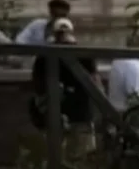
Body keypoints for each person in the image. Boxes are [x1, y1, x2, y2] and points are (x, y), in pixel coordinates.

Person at [30, 17, 98, 155]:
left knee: (65, 157)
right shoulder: (83, 54)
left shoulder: (45, 56)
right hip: (68, 116)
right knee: (78, 157)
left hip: (71, 115)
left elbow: (37, 86)